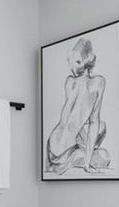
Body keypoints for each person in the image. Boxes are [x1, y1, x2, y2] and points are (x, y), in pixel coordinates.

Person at [46, 38, 110, 174]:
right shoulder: (97, 83)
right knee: (105, 154)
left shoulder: (70, 82)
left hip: (51, 145)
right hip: (67, 151)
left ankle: (74, 157)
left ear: (86, 61)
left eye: (76, 62)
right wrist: (87, 163)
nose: (71, 67)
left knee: (96, 128)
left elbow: (71, 119)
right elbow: (94, 122)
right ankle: (80, 156)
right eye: (70, 61)